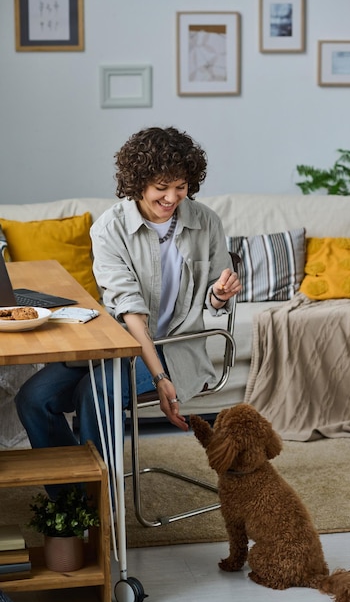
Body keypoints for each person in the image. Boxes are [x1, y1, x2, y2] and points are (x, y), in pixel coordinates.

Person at [15, 126, 241, 461]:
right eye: (161, 188)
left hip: (176, 348)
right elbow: (131, 311)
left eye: (181, 187)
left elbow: (212, 295)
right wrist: (158, 378)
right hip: (120, 343)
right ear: (138, 183)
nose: (172, 197)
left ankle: (104, 503)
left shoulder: (205, 221)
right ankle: (73, 499)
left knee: (98, 391)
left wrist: (220, 294)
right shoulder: (110, 228)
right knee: (32, 397)